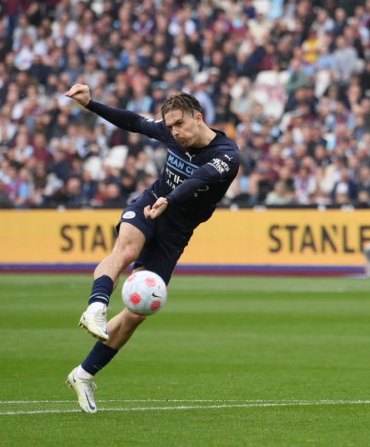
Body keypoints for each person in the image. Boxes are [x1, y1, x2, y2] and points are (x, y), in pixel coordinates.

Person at [64, 83, 240, 414]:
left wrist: (169, 200)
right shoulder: (171, 133)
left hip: (175, 229)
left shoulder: (227, 155)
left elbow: (200, 179)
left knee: (138, 311)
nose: (174, 132)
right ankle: (96, 306)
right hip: (149, 205)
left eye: (179, 125)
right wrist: (91, 104)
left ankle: (83, 374)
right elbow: (133, 121)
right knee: (125, 251)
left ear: (198, 118)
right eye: (170, 126)